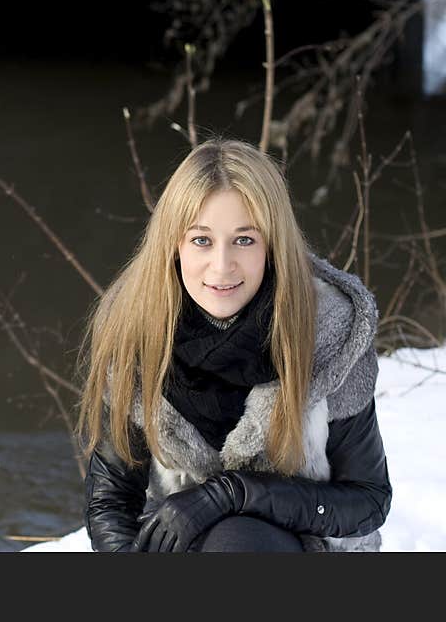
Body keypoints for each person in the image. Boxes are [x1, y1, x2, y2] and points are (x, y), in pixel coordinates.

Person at [77, 139, 392, 552]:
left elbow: (367, 501)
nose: (222, 266)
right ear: (174, 243)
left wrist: (233, 494)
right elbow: (111, 500)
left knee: (238, 540)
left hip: (301, 548)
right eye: (201, 241)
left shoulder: (327, 333)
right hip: (178, 547)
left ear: (272, 245)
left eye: (244, 240)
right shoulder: (136, 331)